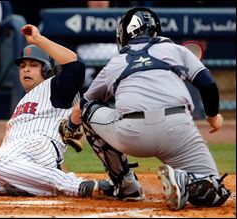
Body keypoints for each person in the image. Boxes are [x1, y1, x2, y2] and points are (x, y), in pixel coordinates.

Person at [59, 7, 231, 210]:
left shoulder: (115, 63)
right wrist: (212, 116)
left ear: (123, 34)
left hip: (133, 134)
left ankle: (126, 187)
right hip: (178, 130)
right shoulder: (175, 49)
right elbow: (208, 85)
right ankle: (188, 180)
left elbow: (83, 106)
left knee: (90, 109)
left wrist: (69, 127)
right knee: (215, 189)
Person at [0, 24, 109, 198]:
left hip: (40, 148)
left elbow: (75, 66)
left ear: (47, 70)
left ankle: (76, 185)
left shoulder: (55, 87)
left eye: (33, 65)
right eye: (23, 65)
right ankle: (32, 185)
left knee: (1, 161)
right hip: (15, 161)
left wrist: (38, 40)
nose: (26, 68)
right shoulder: (22, 102)